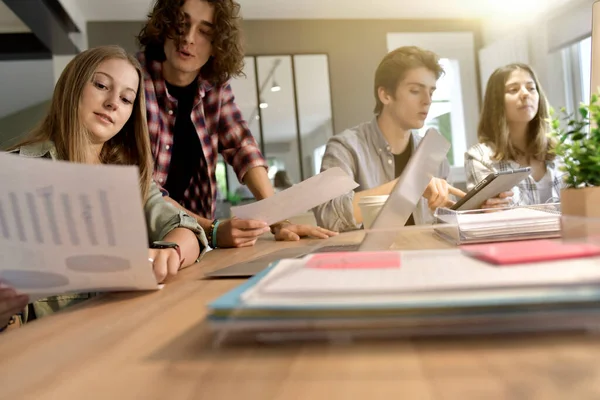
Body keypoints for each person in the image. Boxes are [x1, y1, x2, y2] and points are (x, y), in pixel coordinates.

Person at [5, 45, 208, 323]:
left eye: (126, 99)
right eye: (101, 85)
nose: (113, 102)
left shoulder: (131, 177)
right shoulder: (14, 172)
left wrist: (170, 252)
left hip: (122, 331)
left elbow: (186, 228)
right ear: (72, 87)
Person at [135, 0, 336, 248]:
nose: (188, 38)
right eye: (181, 24)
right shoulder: (132, 82)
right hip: (144, 240)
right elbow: (143, 186)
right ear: (164, 26)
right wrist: (212, 231)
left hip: (195, 244)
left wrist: (279, 220)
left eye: (204, 32)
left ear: (216, 45)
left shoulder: (214, 87)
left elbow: (242, 147)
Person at [313, 46, 465, 232]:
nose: (427, 100)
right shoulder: (345, 147)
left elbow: (451, 224)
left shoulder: (435, 155)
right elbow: (329, 218)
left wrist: (451, 210)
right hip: (369, 260)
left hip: (424, 256)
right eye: (415, 91)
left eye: (431, 92)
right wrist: (406, 185)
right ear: (385, 95)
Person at [465, 63, 565, 207]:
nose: (525, 94)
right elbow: (490, 216)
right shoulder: (480, 157)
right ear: (496, 102)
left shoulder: (563, 151)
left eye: (531, 88)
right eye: (513, 89)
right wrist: (487, 209)